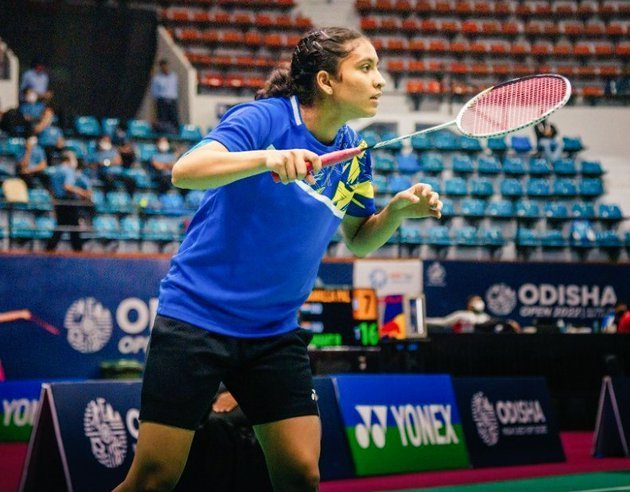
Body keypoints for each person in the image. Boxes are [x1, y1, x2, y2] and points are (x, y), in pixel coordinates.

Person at [114, 27, 442, 492]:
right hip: (197, 318)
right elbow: (185, 172)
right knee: (153, 478)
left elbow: (359, 240)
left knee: (300, 474)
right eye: (366, 68)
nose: (380, 80)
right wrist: (267, 159)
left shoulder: (354, 155)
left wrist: (397, 212)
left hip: (273, 331)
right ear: (326, 81)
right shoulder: (265, 119)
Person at [45, 151, 92, 252]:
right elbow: (67, 186)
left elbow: (51, 189)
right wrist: (83, 193)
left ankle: (50, 248)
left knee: (61, 226)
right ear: (68, 160)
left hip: (59, 201)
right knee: (73, 227)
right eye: (74, 159)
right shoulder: (69, 171)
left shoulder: (55, 171)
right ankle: (77, 251)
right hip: (68, 202)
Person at [151, 59, 180, 135]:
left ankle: (176, 135)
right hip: (162, 101)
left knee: (174, 119)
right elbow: (155, 93)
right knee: (163, 120)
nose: (165, 68)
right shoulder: (157, 78)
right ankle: (164, 135)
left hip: (172, 101)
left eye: (166, 66)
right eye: (163, 67)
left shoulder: (174, 76)